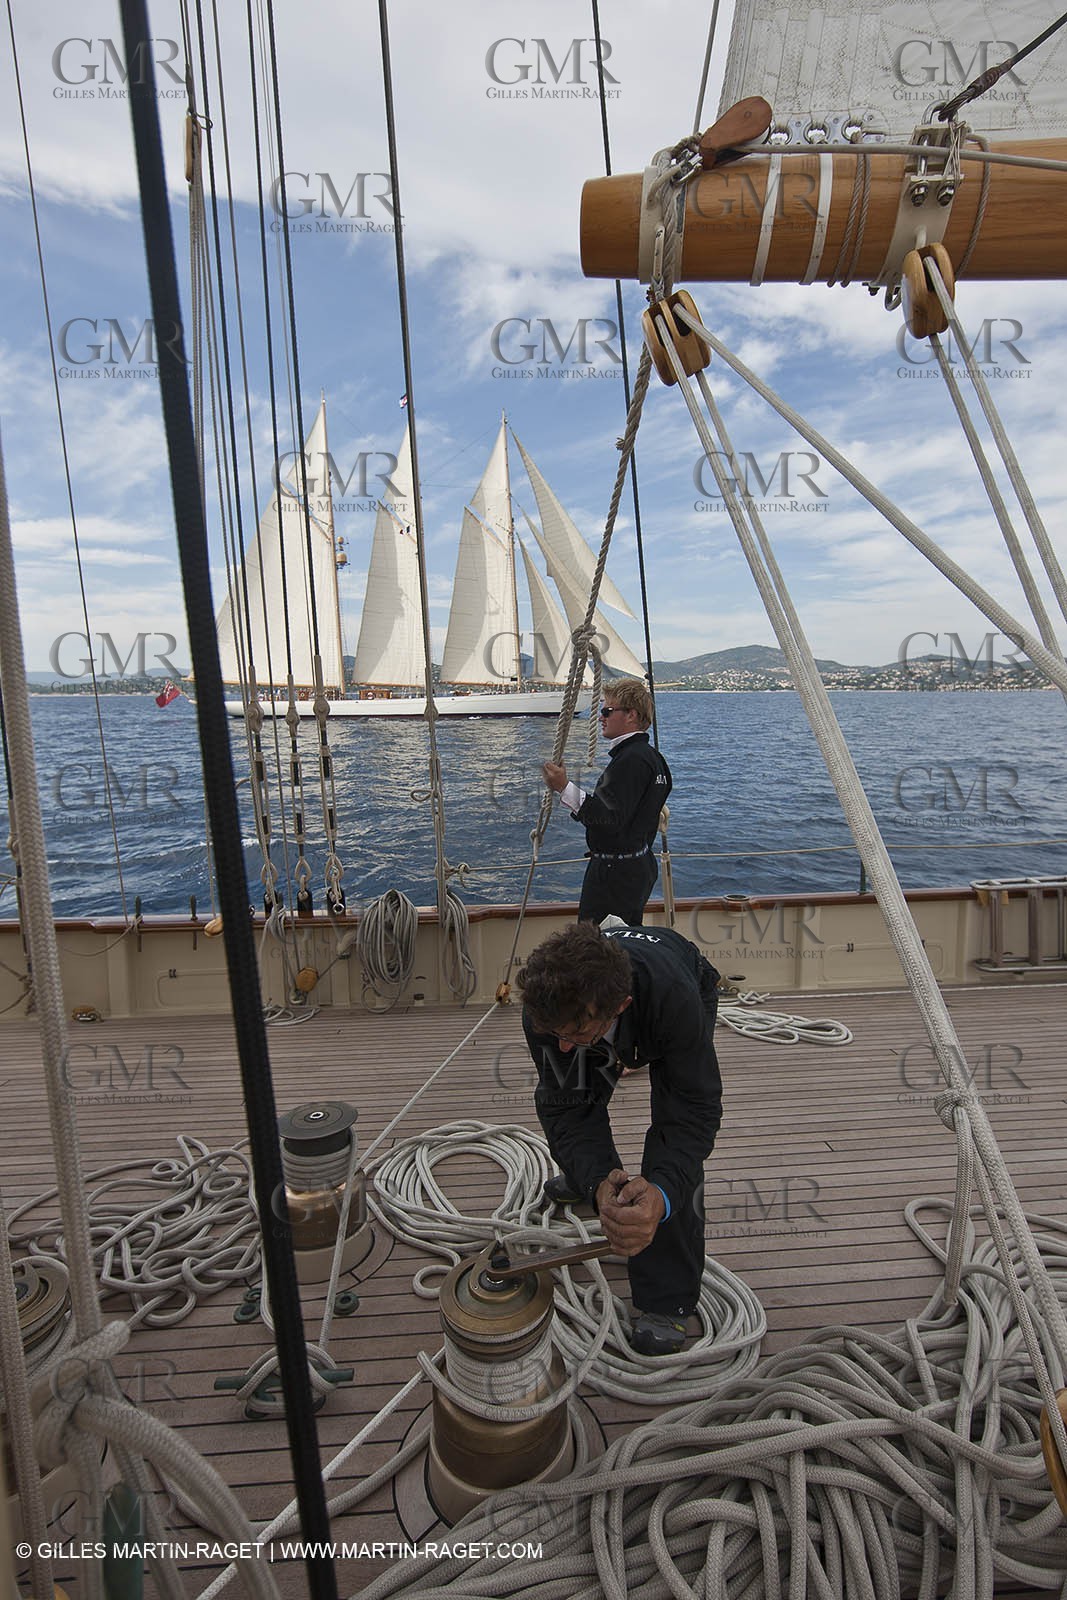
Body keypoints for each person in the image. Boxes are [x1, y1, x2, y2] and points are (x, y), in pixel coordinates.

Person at [518, 920, 722, 1356]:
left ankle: (666, 1302)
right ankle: (588, 1180)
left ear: (621, 1007)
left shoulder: (675, 1001)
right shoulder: (547, 1010)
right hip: (593, 1009)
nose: (565, 1048)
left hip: (681, 987)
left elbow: (690, 1114)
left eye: (575, 1034)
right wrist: (597, 1184)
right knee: (577, 1097)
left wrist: (662, 1192)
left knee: (670, 1163)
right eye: (557, 1035)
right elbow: (568, 1107)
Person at [542, 678, 671, 925]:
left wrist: (563, 787)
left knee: (598, 951)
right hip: (637, 868)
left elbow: (608, 819)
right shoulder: (655, 759)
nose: (600, 717)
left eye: (606, 711)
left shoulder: (630, 760)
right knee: (623, 944)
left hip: (615, 876)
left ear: (631, 715)